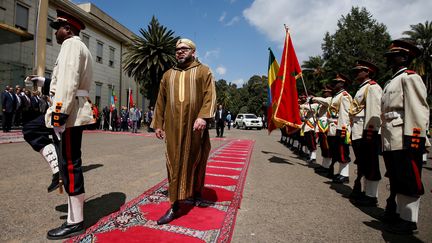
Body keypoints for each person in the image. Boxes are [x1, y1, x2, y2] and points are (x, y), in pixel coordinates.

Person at [22, 9, 93, 240]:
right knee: (36, 133)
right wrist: (44, 83)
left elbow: (69, 81)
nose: (56, 32)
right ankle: (56, 171)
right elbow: (64, 80)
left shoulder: (71, 45)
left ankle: (75, 222)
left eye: (58, 28)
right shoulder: (77, 46)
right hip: (69, 110)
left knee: (71, 164)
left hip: (68, 113)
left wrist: (59, 115)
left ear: (68, 29)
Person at [151, 38, 216, 225]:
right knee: (173, 162)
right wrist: (158, 124)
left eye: (184, 49)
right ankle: (175, 205)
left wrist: (203, 117)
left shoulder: (204, 71)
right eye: (177, 49)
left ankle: (196, 192)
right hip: (172, 128)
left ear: (193, 51)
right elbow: (160, 101)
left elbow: (210, 95)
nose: (179, 51)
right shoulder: (167, 75)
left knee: (196, 159)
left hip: (195, 127)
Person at [381, 39, 429, 234]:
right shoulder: (391, 81)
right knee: (396, 177)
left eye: (394, 55)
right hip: (391, 136)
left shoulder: (410, 77)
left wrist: (415, 139)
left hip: (404, 136)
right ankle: (399, 213)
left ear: (404, 57)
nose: (391, 59)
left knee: (409, 178)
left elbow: (418, 110)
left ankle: (409, 220)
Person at [349, 60, 382, 207]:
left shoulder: (372, 87)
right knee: (363, 163)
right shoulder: (361, 88)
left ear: (367, 72)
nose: (356, 73)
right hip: (357, 130)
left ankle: (371, 195)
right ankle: (364, 191)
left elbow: (374, 112)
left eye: (359, 71)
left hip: (366, 132)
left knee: (371, 163)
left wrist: (370, 134)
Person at [312, 88, 333, 174]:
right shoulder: (322, 101)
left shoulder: (330, 99)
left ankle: (328, 166)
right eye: (323, 91)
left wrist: (314, 98)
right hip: (320, 124)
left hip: (325, 125)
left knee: (327, 146)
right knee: (323, 146)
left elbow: (325, 102)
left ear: (330, 92)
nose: (324, 93)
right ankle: (324, 165)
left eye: (326, 92)